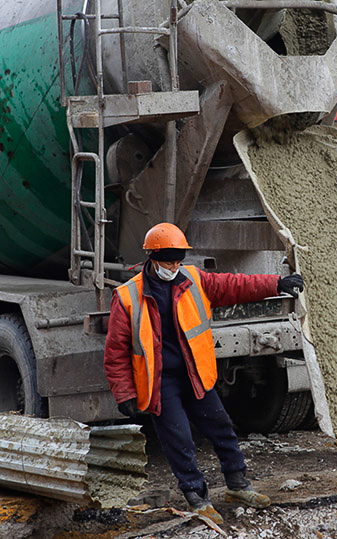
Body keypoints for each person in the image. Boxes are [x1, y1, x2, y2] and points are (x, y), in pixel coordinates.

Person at [104, 222, 305, 523]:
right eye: (169, 260)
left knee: (222, 428)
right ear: (153, 258)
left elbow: (235, 286)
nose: (174, 265)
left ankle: (238, 485)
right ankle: (197, 497)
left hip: (195, 374)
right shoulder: (128, 297)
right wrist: (125, 393)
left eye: (178, 259)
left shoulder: (193, 280)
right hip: (160, 383)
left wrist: (276, 284)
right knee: (180, 440)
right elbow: (116, 353)